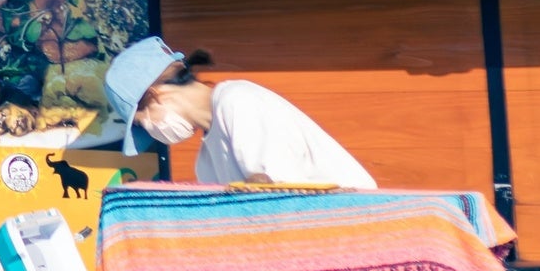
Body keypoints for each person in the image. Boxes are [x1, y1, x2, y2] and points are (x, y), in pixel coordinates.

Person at [108, 38, 377, 188]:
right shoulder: (207, 158)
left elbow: (274, 191)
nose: (153, 132)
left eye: (143, 124)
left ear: (156, 95)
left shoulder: (238, 101)